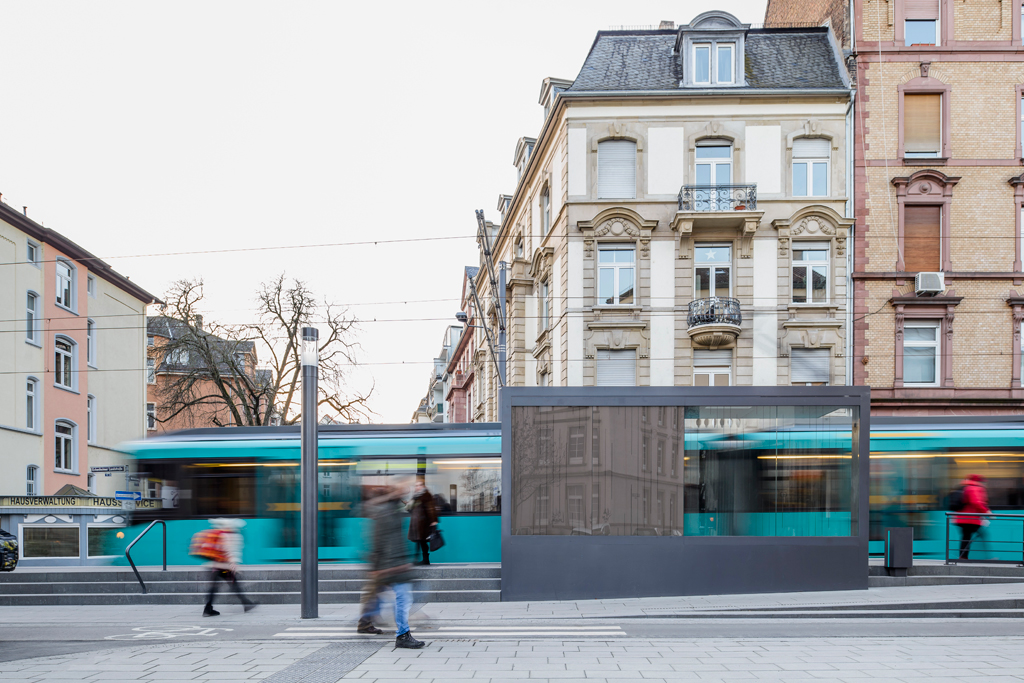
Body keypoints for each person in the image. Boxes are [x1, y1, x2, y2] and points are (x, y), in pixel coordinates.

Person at [363, 482, 426, 648]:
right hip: (391, 565)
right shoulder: (386, 512)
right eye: (402, 489)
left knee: (400, 598)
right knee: (402, 599)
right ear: (394, 493)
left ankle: (397, 631)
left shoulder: (395, 510)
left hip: (397, 564)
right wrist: (376, 568)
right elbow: (378, 541)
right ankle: (402, 634)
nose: (406, 491)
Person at [201, 518, 256, 617]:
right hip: (225, 567)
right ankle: (246, 603)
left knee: (215, 587)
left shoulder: (218, 534)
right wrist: (233, 564)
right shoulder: (228, 535)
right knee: (234, 585)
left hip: (215, 566)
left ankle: (208, 609)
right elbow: (229, 551)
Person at [955, 474, 991, 560]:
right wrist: (986, 511)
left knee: (967, 537)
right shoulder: (974, 488)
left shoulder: (967, 487)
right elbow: (976, 502)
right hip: (970, 519)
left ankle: (963, 557)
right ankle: (985, 557)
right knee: (977, 536)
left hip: (965, 518)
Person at [407, 478, 439, 565]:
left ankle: (423, 559)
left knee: (422, 541)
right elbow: (410, 509)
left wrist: (433, 521)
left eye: (420, 485)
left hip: (423, 523)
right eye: (416, 485)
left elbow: (431, 509)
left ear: (423, 486)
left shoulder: (426, 495)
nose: (418, 487)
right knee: (419, 541)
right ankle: (421, 559)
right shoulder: (415, 496)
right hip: (415, 523)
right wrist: (409, 504)